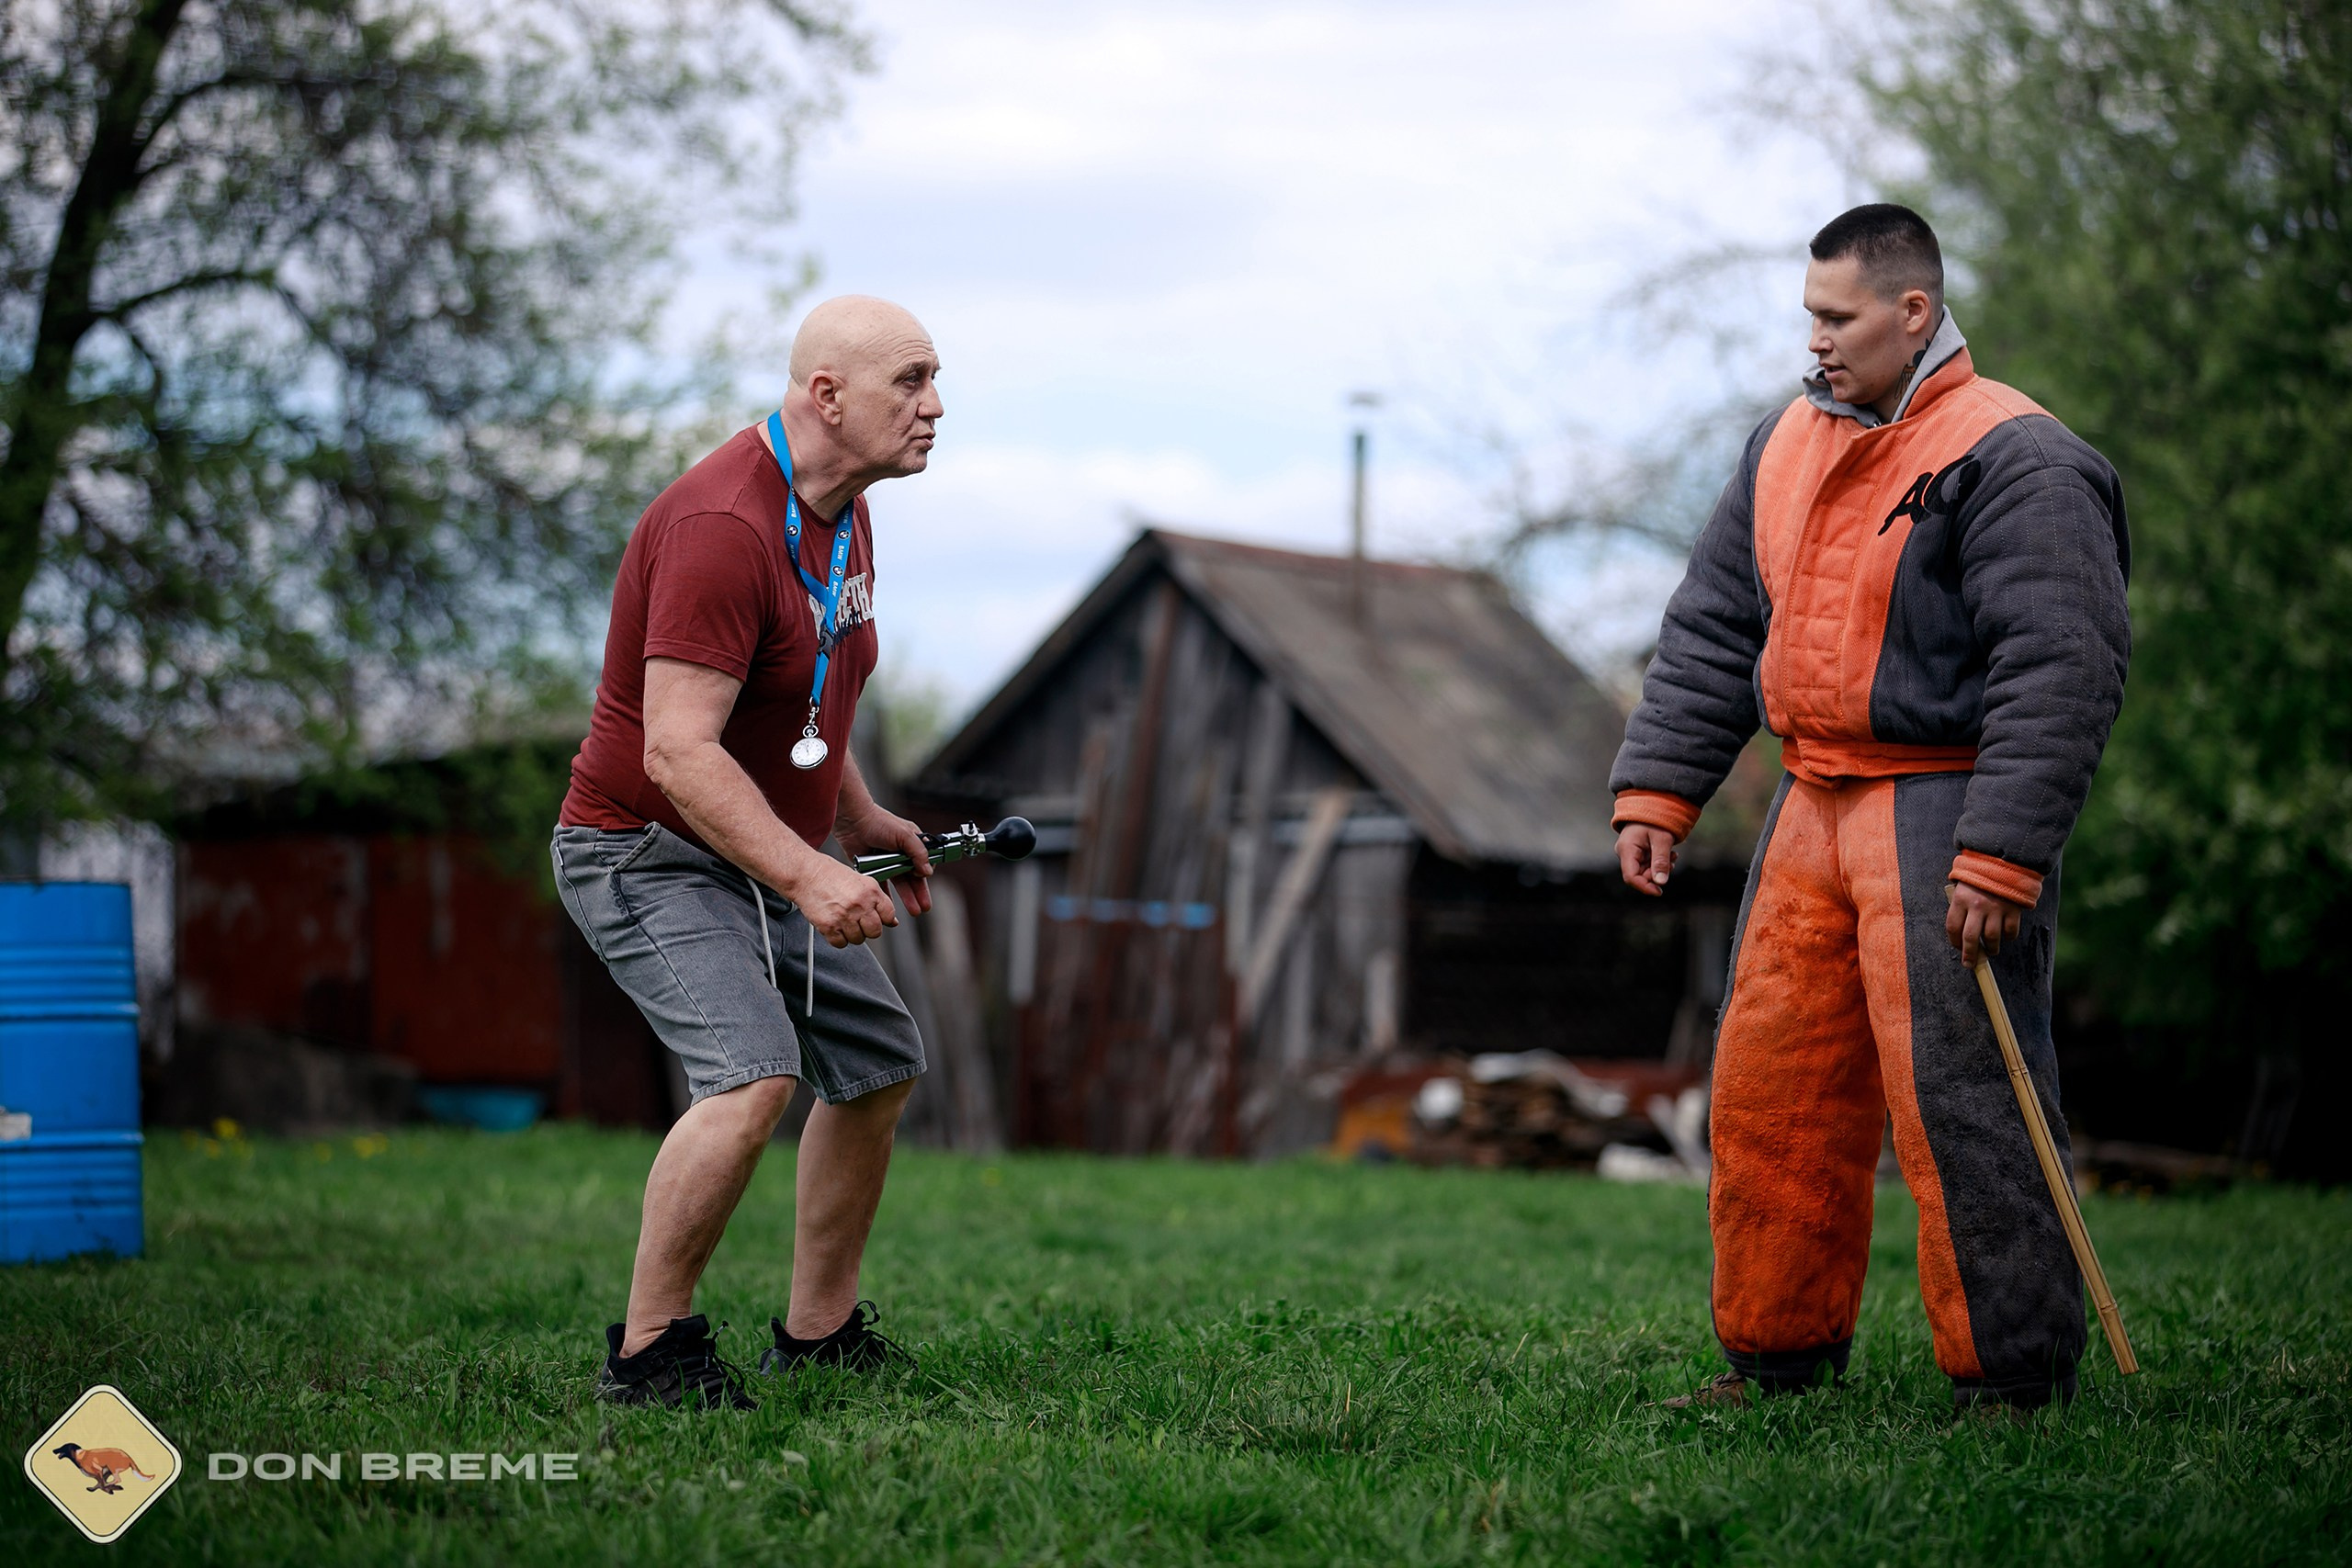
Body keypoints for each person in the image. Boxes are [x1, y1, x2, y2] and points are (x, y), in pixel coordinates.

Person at [1609, 205, 2131, 1416]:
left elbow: (2064, 666)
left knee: (1966, 1100)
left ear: (1913, 311)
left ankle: (2011, 1376)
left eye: (1837, 318)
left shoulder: (2022, 455)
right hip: (1807, 806)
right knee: (1768, 1091)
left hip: (1943, 811)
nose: (1817, 340)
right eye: (1809, 316)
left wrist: (2002, 853)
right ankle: (1772, 1358)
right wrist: (1659, 788)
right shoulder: (1780, 443)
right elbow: (1713, 627)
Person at [551, 296, 946, 1409]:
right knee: (751, 1075)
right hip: (641, 850)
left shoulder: (842, 508)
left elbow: (803, 689)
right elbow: (677, 753)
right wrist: (811, 872)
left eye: (932, 382)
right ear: (828, 395)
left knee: (876, 1067)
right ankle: (649, 1351)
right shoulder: (722, 526)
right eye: (909, 381)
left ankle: (818, 1336)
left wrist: (856, 817)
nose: (934, 406)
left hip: (750, 845)